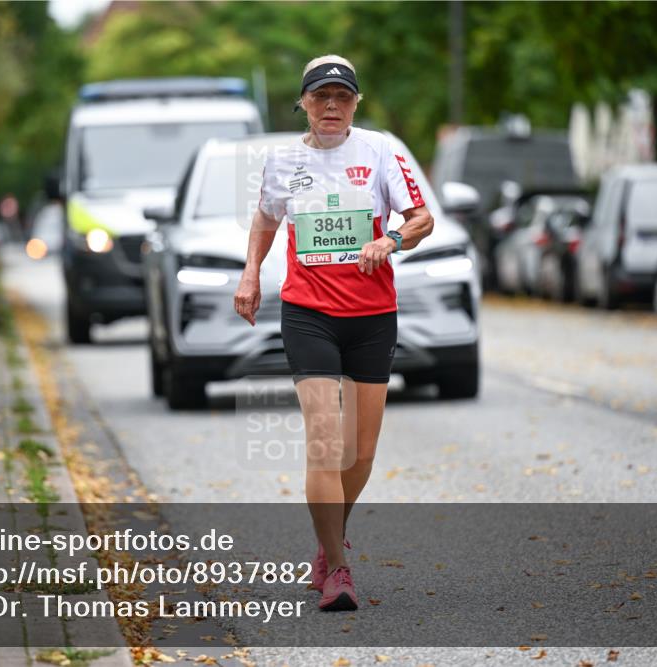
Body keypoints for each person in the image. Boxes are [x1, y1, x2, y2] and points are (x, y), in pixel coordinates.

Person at [233, 55, 435, 611]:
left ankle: (326, 542)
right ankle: (339, 571)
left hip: (372, 315)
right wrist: (251, 272)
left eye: (342, 97)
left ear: (355, 104)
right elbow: (267, 219)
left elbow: (422, 218)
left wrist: (390, 240)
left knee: (362, 451)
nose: (330, 106)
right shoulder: (283, 160)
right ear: (302, 102)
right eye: (320, 96)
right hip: (309, 314)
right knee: (326, 444)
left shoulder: (380, 151)